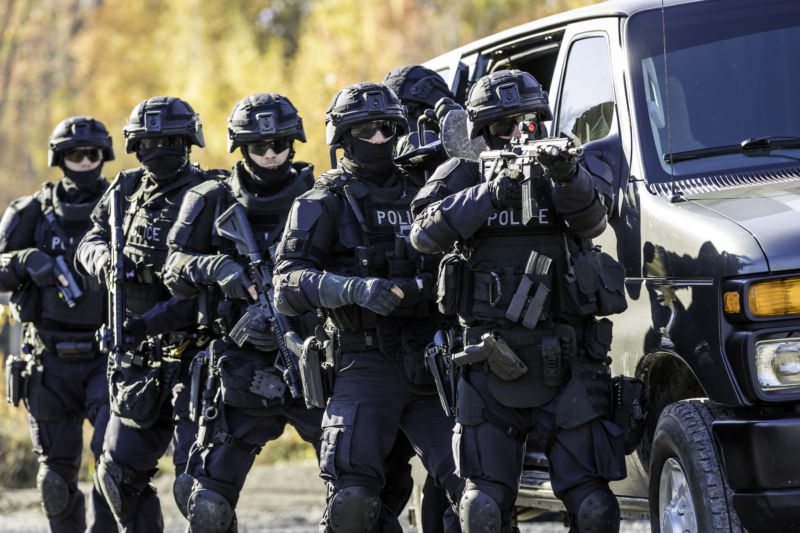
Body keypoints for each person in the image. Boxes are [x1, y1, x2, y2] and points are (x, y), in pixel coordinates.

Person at [408, 69, 627, 532]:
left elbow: (592, 223)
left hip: (568, 357)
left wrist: (566, 175)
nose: (518, 133)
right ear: (482, 133)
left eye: (528, 121)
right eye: (504, 125)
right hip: (490, 359)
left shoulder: (567, 167)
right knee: (482, 509)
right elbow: (423, 234)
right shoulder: (464, 174)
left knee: (594, 508)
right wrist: (490, 193)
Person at [273, 81, 464, 532]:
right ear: (342, 138)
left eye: (387, 129)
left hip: (431, 358)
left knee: (480, 494)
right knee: (353, 503)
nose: (380, 139)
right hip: (363, 360)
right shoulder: (323, 202)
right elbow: (286, 284)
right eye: (367, 131)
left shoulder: (429, 191)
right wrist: (353, 289)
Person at [162, 92, 320, 532]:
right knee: (207, 505)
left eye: (280, 145)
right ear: (239, 146)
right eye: (258, 147)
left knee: (360, 494)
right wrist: (218, 267)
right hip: (239, 368)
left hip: (314, 363)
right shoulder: (210, 199)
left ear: (295, 142)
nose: (271, 155)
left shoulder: (321, 195)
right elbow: (173, 269)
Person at [75, 96, 216, 533]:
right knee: (117, 476)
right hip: (138, 362)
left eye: (171, 140)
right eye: (150, 141)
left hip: (197, 357)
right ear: (135, 145)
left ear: (188, 141)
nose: (160, 149)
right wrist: (105, 260)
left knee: (199, 491)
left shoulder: (213, 192)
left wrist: (150, 319)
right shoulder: (124, 190)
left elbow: (215, 282)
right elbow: (89, 241)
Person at [0, 116, 117, 533]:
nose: (84, 161)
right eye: (74, 154)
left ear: (103, 156)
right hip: (49, 361)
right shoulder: (30, 212)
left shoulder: (122, 207)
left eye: (92, 154)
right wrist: (23, 260)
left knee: (116, 471)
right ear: (59, 158)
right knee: (54, 478)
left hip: (109, 356)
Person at [382, 64, 458, 533]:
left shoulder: (462, 167)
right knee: (375, 484)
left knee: (454, 480)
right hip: (389, 348)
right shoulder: (369, 174)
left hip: (451, 341)